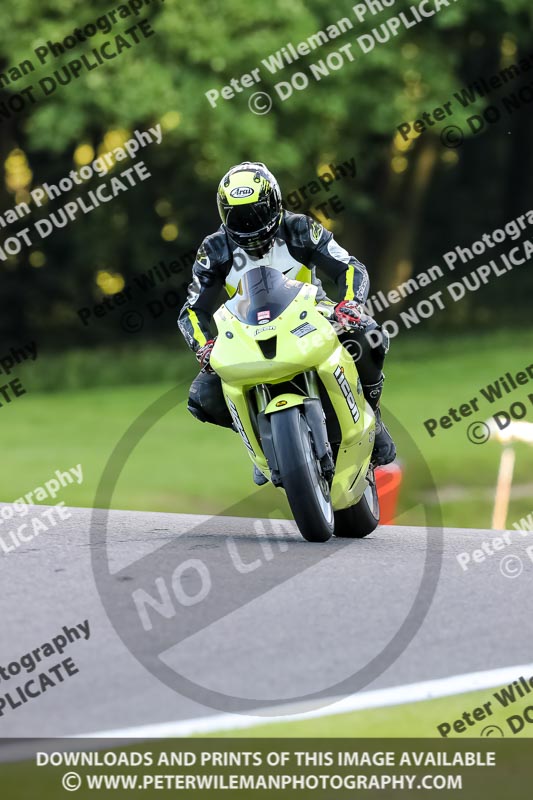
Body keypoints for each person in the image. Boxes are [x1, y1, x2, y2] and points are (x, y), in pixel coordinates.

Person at [178, 161, 396, 484]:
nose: (250, 225)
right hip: (246, 333)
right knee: (202, 396)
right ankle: (262, 442)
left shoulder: (300, 228)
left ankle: (372, 416)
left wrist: (350, 303)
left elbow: (349, 266)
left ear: (275, 204)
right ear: (224, 215)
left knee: (369, 336)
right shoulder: (214, 250)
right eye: (239, 217)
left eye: (257, 213)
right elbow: (192, 311)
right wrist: (204, 345)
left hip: (311, 317)